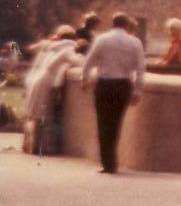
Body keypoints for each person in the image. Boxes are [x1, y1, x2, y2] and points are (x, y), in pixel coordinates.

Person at [79, 13, 147, 174]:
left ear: (113, 23)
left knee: (103, 123)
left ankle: (108, 163)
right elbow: (140, 68)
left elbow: (89, 60)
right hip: (123, 85)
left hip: (105, 84)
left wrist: (84, 78)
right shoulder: (135, 42)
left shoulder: (102, 39)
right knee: (116, 123)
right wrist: (137, 90)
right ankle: (112, 160)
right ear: (127, 25)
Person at [21, 26, 77, 155]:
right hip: (47, 81)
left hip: (35, 78)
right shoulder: (69, 48)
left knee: (33, 114)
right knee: (45, 115)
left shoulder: (50, 48)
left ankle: (30, 145)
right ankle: (43, 148)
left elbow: (32, 50)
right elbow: (76, 60)